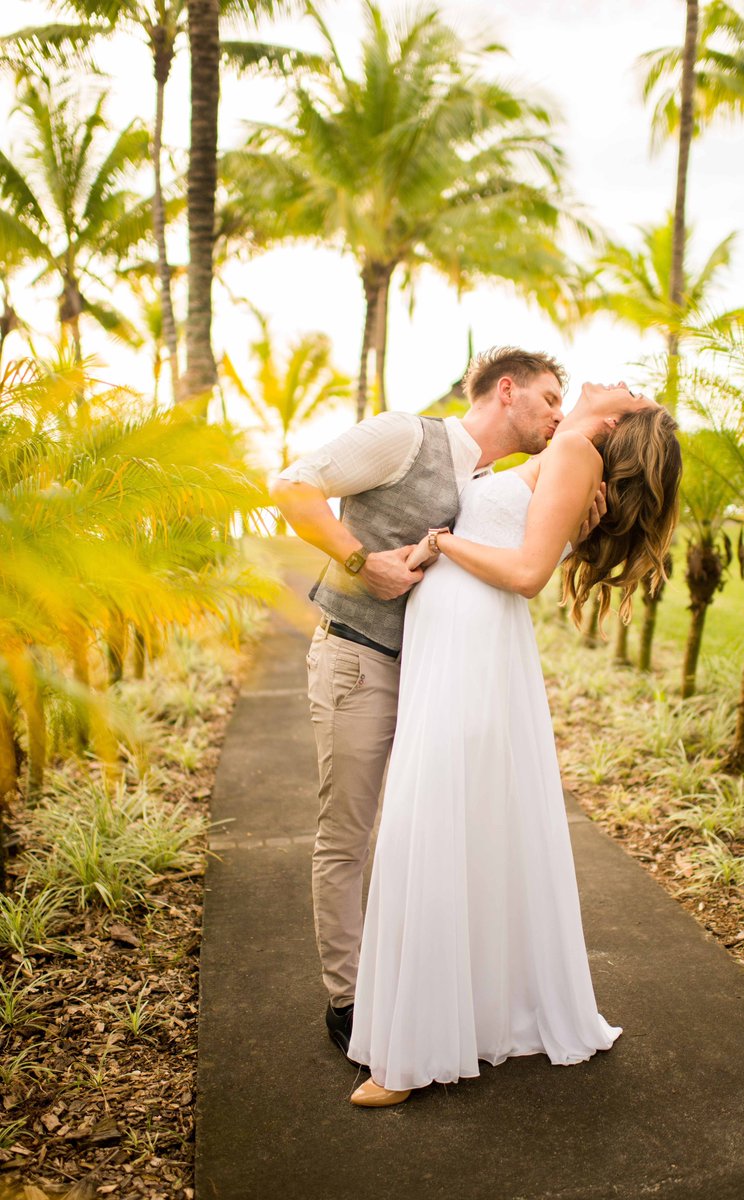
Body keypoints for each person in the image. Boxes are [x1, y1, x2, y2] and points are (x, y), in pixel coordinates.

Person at [270, 349, 650, 1059]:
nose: (557, 414)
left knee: (428, 833)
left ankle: (431, 992)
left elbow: (511, 550)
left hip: (435, 673)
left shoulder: (493, 477)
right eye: (545, 399)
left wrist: (573, 525)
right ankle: (350, 1000)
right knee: (348, 835)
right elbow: (290, 484)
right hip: (359, 657)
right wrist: (358, 558)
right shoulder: (404, 437)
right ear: (505, 391)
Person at [346, 380, 682, 1106]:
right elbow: (530, 540)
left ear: (620, 417)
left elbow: (527, 575)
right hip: (453, 633)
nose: (615, 381)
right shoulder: (565, 452)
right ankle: (448, 1022)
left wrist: (441, 542)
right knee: (444, 817)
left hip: (471, 635)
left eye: (627, 389)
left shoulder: (573, 450)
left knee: (433, 817)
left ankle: (412, 1055)